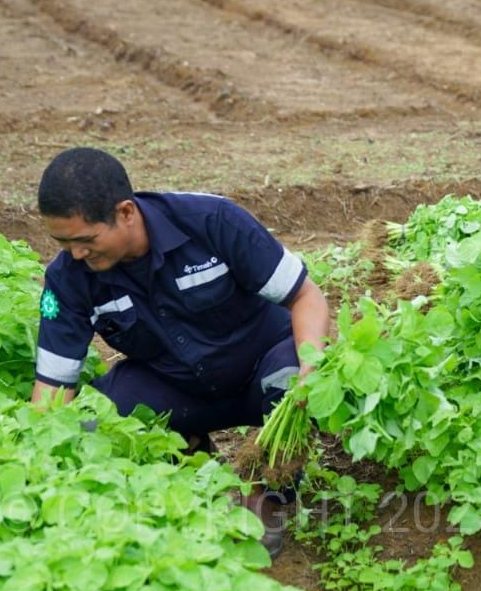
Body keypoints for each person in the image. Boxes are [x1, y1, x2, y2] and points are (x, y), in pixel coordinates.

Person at [31, 147, 330, 554]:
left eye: (85, 240)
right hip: (178, 389)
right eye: (62, 242)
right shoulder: (67, 277)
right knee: (95, 419)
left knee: (292, 376)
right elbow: (52, 389)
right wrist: (35, 471)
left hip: (262, 372)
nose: (75, 254)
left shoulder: (212, 221)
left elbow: (306, 298)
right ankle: (189, 460)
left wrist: (312, 369)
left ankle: (266, 495)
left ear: (125, 212)